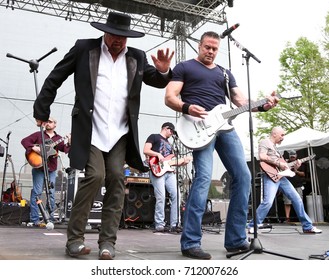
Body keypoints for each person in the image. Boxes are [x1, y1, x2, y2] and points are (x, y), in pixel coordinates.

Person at [32, 11, 174, 260]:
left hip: (120, 132)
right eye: (115, 35)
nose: (119, 41)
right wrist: (42, 109)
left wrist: (163, 72)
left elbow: (157, 80)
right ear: (105, 32)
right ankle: (74, 240)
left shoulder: (137, 57)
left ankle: (107, 242)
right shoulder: (84, 49)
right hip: (91, 130)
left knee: (118, 178)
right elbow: (56, 76)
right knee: (96, 176)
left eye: (124, 37)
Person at [164, 31, 279, 259]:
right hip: (198, 126)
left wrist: (264, 105)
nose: (211, 51)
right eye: (207, 47)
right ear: (199, 46)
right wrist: (187, 107)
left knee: (244, 176)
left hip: (225, 127)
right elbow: (170, 96)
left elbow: (242, 103)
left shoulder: (225, 74)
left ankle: (236, 240)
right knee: (204, 178)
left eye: (215, 48)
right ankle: (190, 242)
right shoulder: (185, 67)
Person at [247, 127, 322, 234]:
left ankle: (307, 226)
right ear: (274, 134)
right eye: (282, 135)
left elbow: (283, 166)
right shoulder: (265, 142)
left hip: (281, 177)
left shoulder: (276, 148)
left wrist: (294, 166)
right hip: (270, 176)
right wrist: (279, 163)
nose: (283, 137)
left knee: (297, 199)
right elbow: (262, 156)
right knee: (268, 202)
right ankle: (253, 225)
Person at [21, 117, 70, 227]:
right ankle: (34, 219)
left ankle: (50, 219)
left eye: (51, 122)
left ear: (55, 124)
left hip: (51, 169)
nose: (48, 123)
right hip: (38, 168)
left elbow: (66, 150)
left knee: (51, 194)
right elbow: (24, 141)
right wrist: (33, 148)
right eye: (47, 122)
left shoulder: (58, 138)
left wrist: (69, 141)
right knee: (37, 193)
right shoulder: (39, 135)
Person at [143, 122, 190, 233]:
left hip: (169, 171)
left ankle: (175, 224)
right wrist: (157, 154)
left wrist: (183, 162)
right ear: (166, 128)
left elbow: (170, 161)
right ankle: (159, 224)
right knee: (161, 197)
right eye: (172, 131)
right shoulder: (154, 136)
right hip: (157, 170)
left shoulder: (170, 144)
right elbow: (146, 150)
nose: (172, 133)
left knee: (176, 196)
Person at [283, 150, 306, 223]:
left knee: (299, 201)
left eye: (293, 156)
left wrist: (296, 171)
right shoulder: (285, 164)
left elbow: (303, 174)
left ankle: (301, 217)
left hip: (298, 185)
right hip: (288, 184)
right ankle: (287, 218)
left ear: (296, 156)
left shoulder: (299, 163)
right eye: (291, 156)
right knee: (287, 202)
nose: (292, 157)